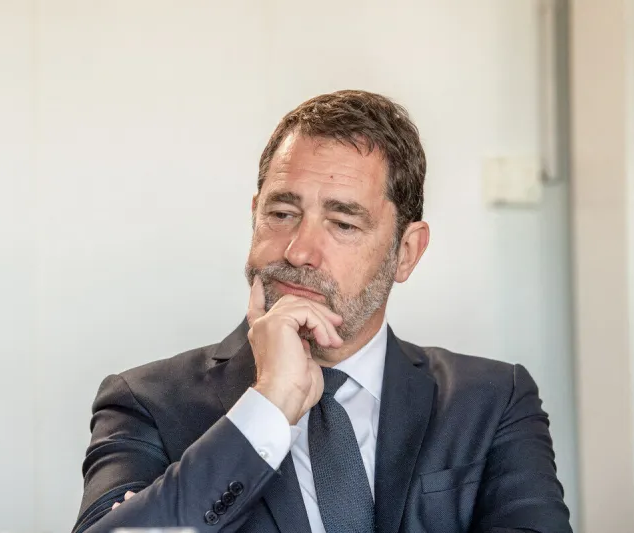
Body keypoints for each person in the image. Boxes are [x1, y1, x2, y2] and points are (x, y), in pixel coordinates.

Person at [72, 90, 572, 533]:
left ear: (406, 252)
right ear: (255, 216)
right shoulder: (146, 402)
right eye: (282, 214)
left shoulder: (491, 400)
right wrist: (268, 405)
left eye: (343, 224)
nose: (298, 251)